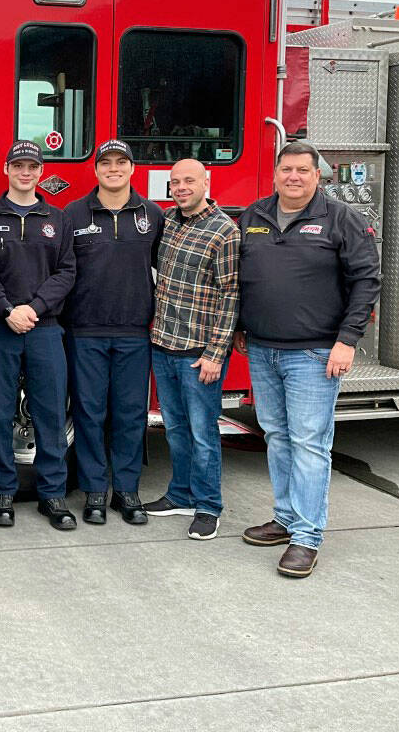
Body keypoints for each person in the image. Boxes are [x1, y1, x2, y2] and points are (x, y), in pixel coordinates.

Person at [236, 142, 380, 578]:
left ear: (318, 176)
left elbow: (366, 281)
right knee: (277, 436)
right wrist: (242, 324)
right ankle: (284, 519)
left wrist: (348, 340)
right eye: (286, 169)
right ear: (275, 174)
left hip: (315, 354)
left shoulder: (342, 219)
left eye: (302, 170)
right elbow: (243, 275)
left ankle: (307, 538)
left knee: (309, 444)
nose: (293, 177)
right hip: (262, 349)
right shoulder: (254, 215)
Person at [61, 139, 163, 526]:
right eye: (107, 163)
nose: (114, 169)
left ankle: (126, 491)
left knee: (131, 415)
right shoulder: (73, 214)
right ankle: (94, 493)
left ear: (132, 169)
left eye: (122, 162)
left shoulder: (152, 215)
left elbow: (165, 273)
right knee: (89, 414)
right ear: (96, 169)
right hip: (84, 331)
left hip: (135, 333)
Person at [0, 140, 77, 531]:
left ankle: (52, 495)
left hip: (45, 329)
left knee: (51, 414)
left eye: (32, 167)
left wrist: (33, 309)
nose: (25, 172)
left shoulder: (57, 217)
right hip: (0, 329)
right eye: (17, 165)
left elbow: (67, 272)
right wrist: (6, 309)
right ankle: (2, 493)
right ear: (5, 169)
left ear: (40, 172)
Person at [143, 159, 240, 542]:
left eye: (189, 181)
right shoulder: (168, 222)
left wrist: (217, 352)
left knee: (203, 433)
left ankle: (208, 506)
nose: (181, 187)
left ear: (206, 182)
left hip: (199, 352)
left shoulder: (225, 231)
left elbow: (232, 294)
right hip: (163, 345)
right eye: (175, 182)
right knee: (176, 429)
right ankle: (180, 494)